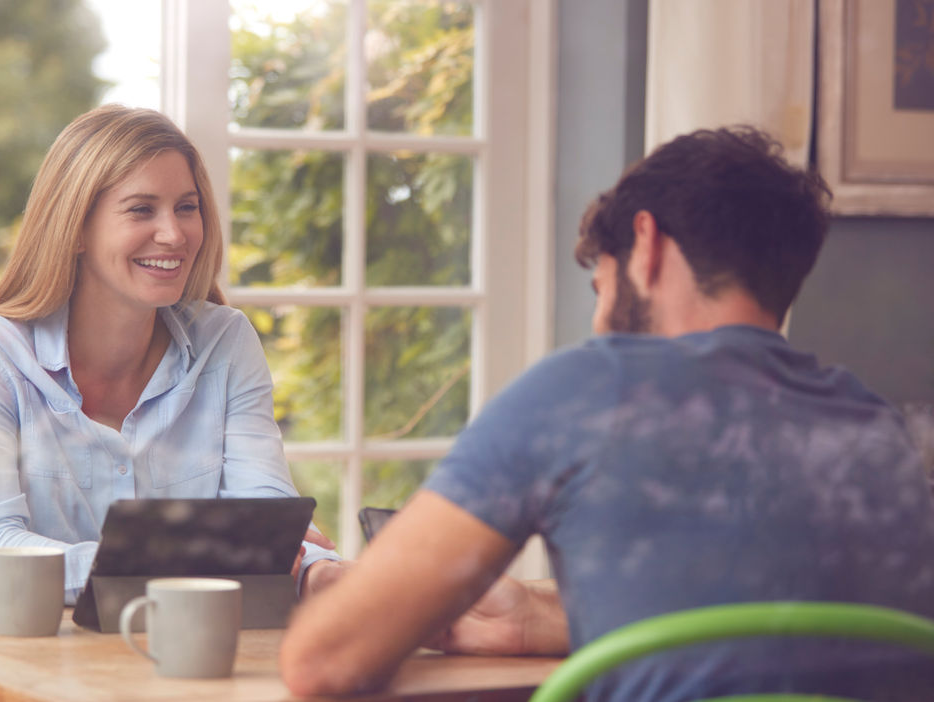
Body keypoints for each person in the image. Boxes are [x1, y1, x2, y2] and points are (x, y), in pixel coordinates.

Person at [279, 126, 934, 700]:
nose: (598, 320)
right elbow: (788, 629)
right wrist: (541, 618)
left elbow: (323, 660)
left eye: (600, 287)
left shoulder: (582, 392)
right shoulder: (876, 427)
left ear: (646, 243)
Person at [0, 105, 343, 605]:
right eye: (140, 209)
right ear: (76, 227)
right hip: (19, 658)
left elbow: (270, 526)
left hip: (185, 648)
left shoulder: (225, 341)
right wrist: (191, 555)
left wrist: (321, 574)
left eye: (187, 207)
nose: (174, 235)